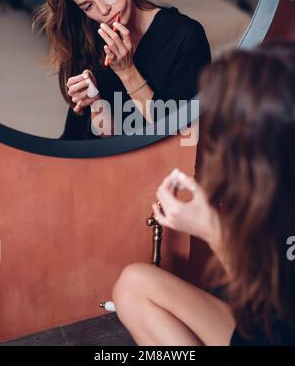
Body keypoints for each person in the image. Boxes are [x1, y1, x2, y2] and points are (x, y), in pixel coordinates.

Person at [112, 41, 295, 346]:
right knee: (132, 284)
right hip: (267, 323)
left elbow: (272, 323)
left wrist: (214, 232)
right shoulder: (276, 194)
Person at [32, 0, 211, 139]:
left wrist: (127, 71)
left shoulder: (185, 35)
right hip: (108, 157)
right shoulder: (91, 36)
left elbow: (179, 132)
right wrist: (95, 102)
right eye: (88, 6)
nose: (103, 10)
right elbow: (109, 141)